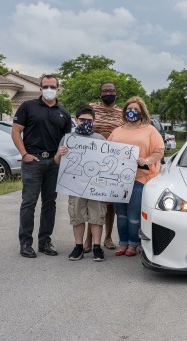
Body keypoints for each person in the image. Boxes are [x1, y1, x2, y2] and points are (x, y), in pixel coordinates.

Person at [11, 74, 72, 258]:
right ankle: (25, 243)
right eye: (46, 86)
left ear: (58, 89)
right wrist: (24, 154)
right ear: (40, 88)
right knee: (29, 202)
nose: (49, 89)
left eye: (53, 86)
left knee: (49, 203)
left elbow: (67, 141)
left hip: (53, 163)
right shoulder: (27, 107)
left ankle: (45, 241)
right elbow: (15, 132)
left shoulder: (64, 113)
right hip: (33, 162)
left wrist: (59, 159)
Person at [108, 97, 165, 257]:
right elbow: (107, 150)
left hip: (140, 178)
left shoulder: (150, 130)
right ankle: (123, 242)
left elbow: (159, 151)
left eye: (136, 110)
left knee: (134, 214)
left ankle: (134, 243)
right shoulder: (117, 130)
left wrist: (146, 160)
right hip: (118, 180)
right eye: (129, 109)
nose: (132, 112)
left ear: (142, 112)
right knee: (121, 214)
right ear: (124, 111)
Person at [54, 106, 107, 261]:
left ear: (94, 121)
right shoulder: (68, 138)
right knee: (77, 215)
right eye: (82, 120)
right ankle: (78, 247)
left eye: (89, 120)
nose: (85, 122)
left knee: (97, 216)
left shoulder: (100, 139)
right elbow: (57, 162)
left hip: (96, 185)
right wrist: (59, 154)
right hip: (75, 185)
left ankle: (97, 247)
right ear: (76, 120)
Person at [83, 82, 124, 253]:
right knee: (92, 200)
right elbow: (83, 129)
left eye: (111, 91)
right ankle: (89, 238)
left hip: (114, 162)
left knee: (110, 203)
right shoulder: (91, 109)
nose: (109, 93)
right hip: (93, 160)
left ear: (116, 93)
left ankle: (107, 237)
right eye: (105, 91)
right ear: (100, 94)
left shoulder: (122, 112)